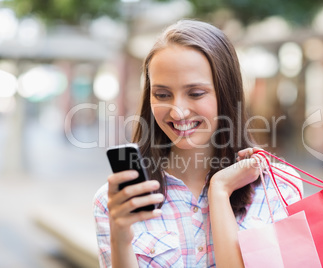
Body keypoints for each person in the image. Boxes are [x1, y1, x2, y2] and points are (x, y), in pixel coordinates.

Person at [93, 19, 302, 268]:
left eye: (195, 93)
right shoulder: (118, 200)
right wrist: (120, 241)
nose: (178, 112)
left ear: (226, 93)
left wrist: (220, 190)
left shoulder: (278, 188)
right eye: (162, 94)